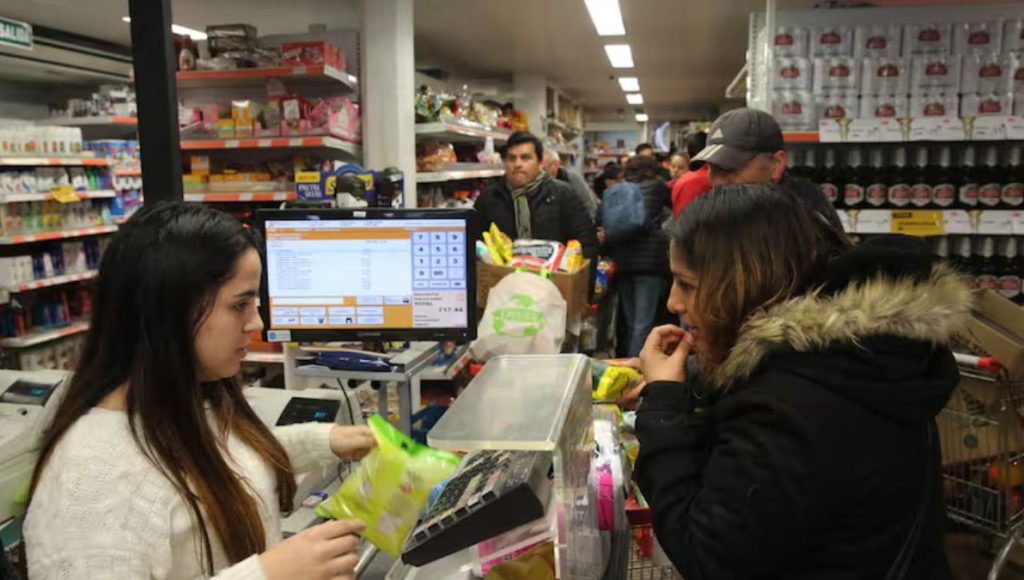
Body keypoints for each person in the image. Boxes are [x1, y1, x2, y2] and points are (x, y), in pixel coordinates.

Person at [24, 203, 376, 579]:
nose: (256, 322)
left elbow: (215, 463)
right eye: (239, 304)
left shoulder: (185, 402)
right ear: (169, 312)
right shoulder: (90, 478)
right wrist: (268, 573)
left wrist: (326, 440)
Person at [635, 183, 968, 579]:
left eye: (686, 284)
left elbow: (708, 559)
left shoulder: (784, 408)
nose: (673, 302)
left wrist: (663, 404)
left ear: (741, 282)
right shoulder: (849, 361)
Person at [689, 108, 844, 234]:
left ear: (776, 165)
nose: (717, 181)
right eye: (712, 167)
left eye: (730, 167)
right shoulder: (715, 215)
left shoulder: (806, 216)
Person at [475, 131, 597, 262]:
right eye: (512, 158)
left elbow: (587, 244)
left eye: (525, 158)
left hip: (554, 279)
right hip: (504, 280)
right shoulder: (489, 198)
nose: (517, 164)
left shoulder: (563, 194)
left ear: (540, 162)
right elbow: (473, 244)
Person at [603, 155, 672, 358]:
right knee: (643, 323)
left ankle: (629, 363)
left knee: (631, 320)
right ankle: (637, 369)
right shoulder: (657, 187)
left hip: (622, 262)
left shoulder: (616, 191)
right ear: (651, 169)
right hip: (649, 263)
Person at [542, 148, 599, 223]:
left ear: (556, 165)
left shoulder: (572, 178)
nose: (541, 173)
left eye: (544, 169)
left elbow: (588, 205)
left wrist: (588, 229)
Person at [671, 131, 711, 218]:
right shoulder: (724, 176)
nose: (675, 170)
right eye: (673, 166)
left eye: (681, 167)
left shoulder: (687, 182)